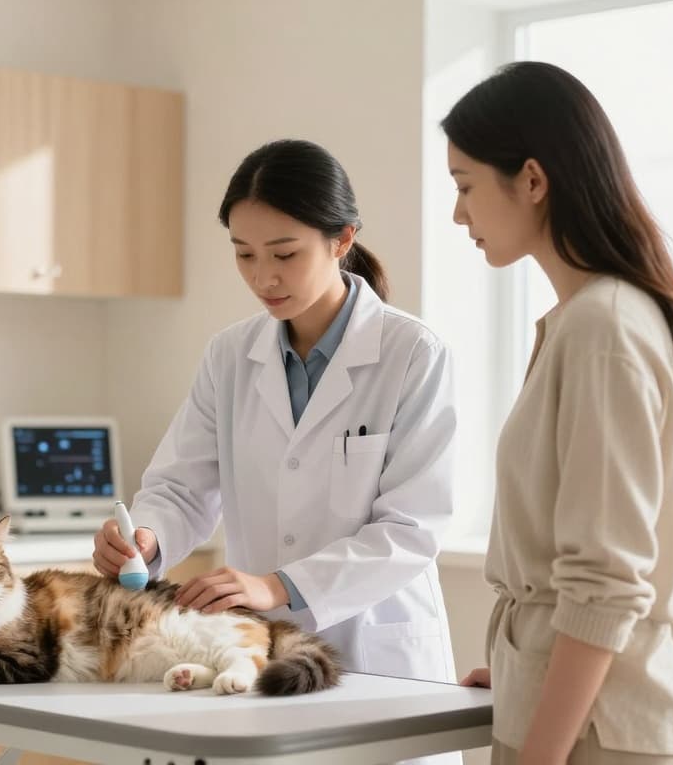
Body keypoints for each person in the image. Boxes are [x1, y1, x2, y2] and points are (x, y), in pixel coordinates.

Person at [94, 138, 461, 708]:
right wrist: (148, 536)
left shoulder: (412, 353)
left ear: (342, 240)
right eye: (244, 254)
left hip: (376, 653)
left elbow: (411, 529)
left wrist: (276, 586)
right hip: (261, 650)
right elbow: (181, 486)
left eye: (285, 254)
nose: (264, 277)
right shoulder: (230, 356)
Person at [445, 61, 673, 764]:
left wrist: (540, 751)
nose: (458, 214)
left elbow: (604, 583)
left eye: (465, 186)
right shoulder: (583, 321)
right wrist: (519, 671)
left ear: (533, 180)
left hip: (601, 734)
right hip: (579, 713)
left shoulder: (604, 329)